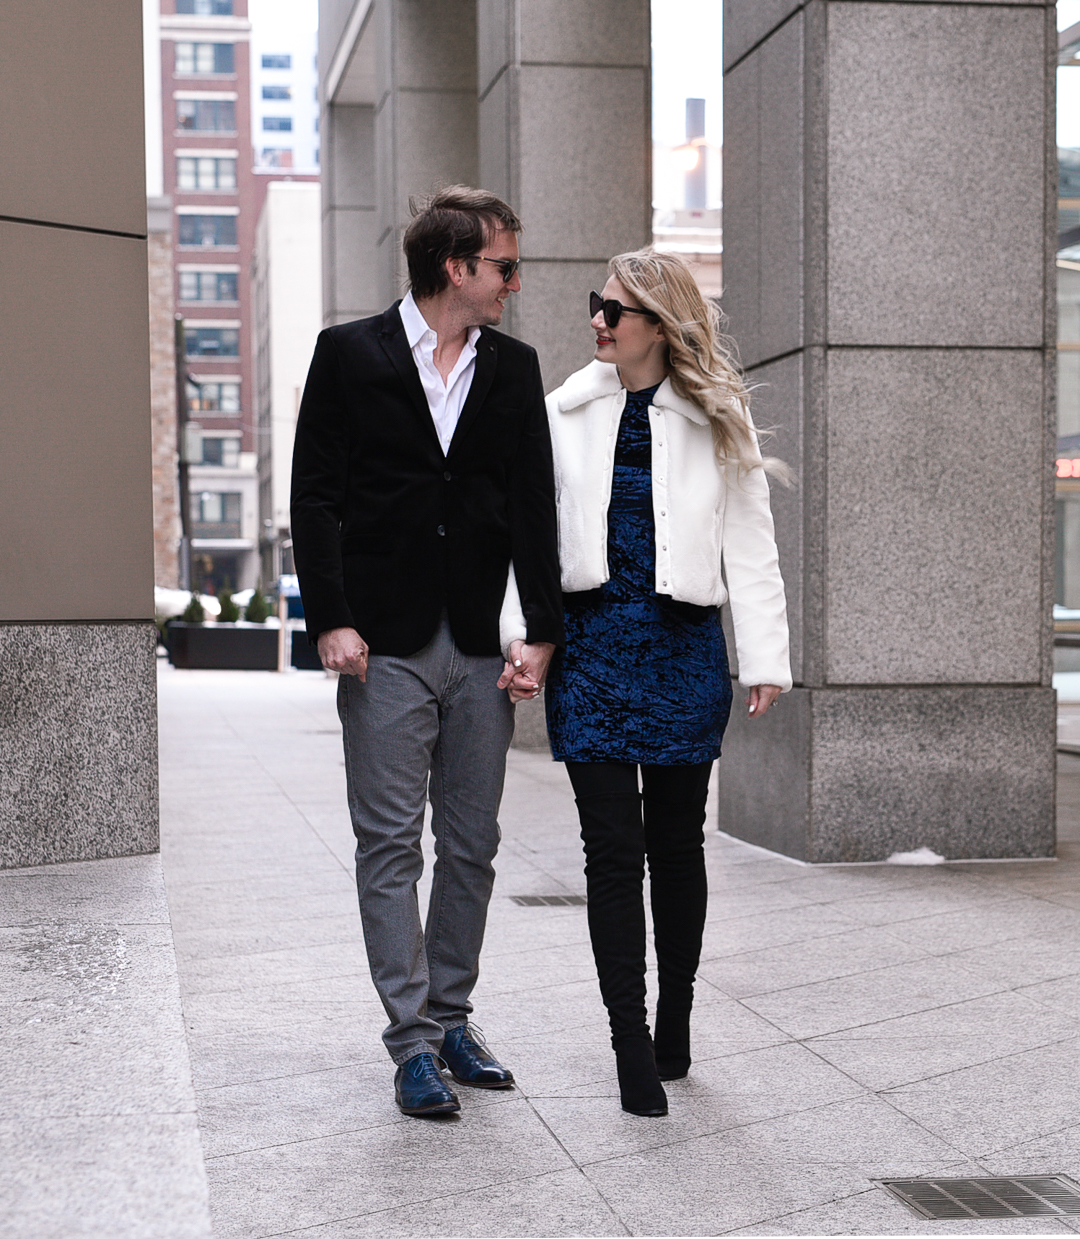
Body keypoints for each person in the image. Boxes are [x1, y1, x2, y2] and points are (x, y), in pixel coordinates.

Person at [291, 186, 563, 1117]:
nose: (512, 283)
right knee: (389, 844)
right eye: (505, 267)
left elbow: (533, 507)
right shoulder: (348, 355)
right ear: (458, 267)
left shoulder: (514, 368)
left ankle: (450, 1015)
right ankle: (408, 1041)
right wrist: (329, 616)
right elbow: (315, 496)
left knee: (475, 841)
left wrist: (542, 633)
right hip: (384, 643)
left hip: (482, 641)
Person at [501, 248, 791, 1117]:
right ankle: (628, 1038)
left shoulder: (715, 414)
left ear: (659, 327)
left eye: (614, 310)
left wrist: (767, 654)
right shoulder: (563, 410)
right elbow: (531, 540)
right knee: (610, 856)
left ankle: (677, 1014)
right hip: (590, 653)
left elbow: (752, 539)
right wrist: (524, 636)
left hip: (683, 650)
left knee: (677, 847)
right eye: (597, 304)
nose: (597, 319)